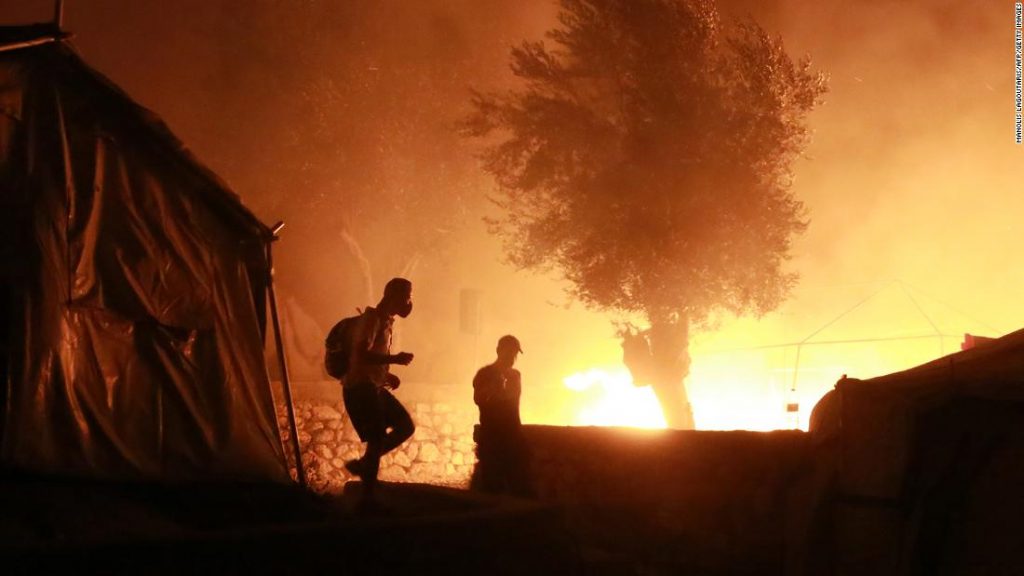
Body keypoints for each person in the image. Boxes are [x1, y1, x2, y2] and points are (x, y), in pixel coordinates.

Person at [341, 277, 416, 507]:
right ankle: (367, 496)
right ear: (393, 296)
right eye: (407, 295)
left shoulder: (385, 322)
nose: (409, 302)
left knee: (405, 425)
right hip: (360, 388)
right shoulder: (372, 319)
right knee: (376, 438)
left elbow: (370, 358)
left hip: (372, 386)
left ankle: (366, 466)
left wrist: (386, 374)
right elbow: (360, 353)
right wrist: (394, 359)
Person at [471, 334, 533, 496]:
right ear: (499, 351)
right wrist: (494, 386)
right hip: (492, 437)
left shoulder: (515, 376)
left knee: (521, 487)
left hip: (513, 436)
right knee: (492, 488)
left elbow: (511, 396)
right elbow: (479, 399)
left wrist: (501, 388)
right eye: (509, 353)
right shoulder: (484, 374)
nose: (512, 357)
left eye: (515, 354)